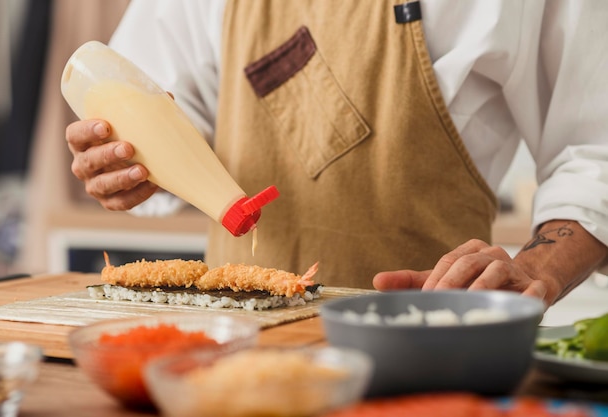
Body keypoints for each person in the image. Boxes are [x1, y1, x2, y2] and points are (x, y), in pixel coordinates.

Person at [65, 0, 608, 307]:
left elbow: (594, 151)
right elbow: (144, 115)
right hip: (234, 352)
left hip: (431, 353)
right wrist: (123, 161)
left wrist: (536, 270)